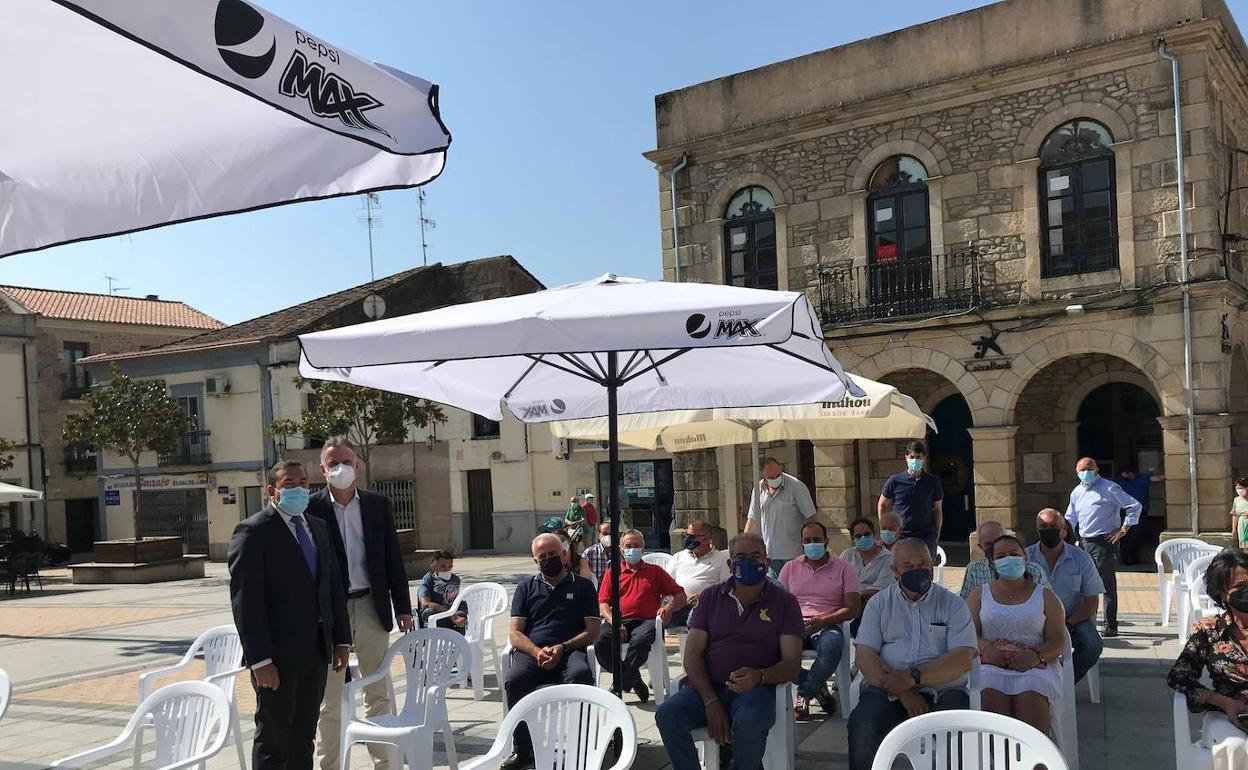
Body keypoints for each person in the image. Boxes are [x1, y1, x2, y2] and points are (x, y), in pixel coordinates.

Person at [228, 460, 351, 770]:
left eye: (304, 483)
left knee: (303, 736)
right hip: (277, 659)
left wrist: (341, 640)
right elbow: (247, 601)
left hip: (316, 652)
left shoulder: (318, 527)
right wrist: (260, 661)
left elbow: (332, 587)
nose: (298, 489)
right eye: (289, 484)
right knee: (274, 739)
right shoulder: (254, 531)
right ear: (272, 491)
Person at [305, 438, 414, 770]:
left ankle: (385, 763)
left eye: (346, 461)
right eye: (333, 462)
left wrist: (403, 606)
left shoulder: (377, 505)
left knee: (378, 690)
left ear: (358, 465)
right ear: (322, 469)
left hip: (370, 605)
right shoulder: (311, 508)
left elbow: (392, 558)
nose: (340, 468)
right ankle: (331, 766)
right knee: (330, 699)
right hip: (329, 614)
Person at [655, 532, 803, 770]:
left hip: (756, 690)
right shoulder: (711, 598)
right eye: (741, 557)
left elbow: (792, 662)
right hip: (708, 687)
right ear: (729, 564)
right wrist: (710, 701)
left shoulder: (785, 603)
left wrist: (760, 676)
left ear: (766, 561)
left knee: (749, 723)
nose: (749, 562)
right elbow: (692, 654)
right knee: (667, 715)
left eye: (756, 556)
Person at [847, 538, 976, 770]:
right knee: (863, 724)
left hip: (944, 690)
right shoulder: (879, 604)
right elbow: (865, 656)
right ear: (894, 571)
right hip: (888, 690)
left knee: (955, 738)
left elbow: (962, 658)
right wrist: (905, 692)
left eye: (923, 564)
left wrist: (914, 677)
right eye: (909, 566)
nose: (918, 571)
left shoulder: (954, 605)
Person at [505, 533, 601, 770]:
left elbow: (593, 631)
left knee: (581, 676)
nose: (548, 559)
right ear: (534, 560)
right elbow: (515, 634)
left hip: (570, 651)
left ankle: (581, 748)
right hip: (532, 653)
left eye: (553, 554)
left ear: (564, 555)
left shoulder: (583, 586)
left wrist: (563, 647)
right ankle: (524, 750)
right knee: (515, 680)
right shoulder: (525, 588)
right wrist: (536, 651)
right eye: (542, 557)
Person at [966, 535, 1066, 735]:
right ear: (992, 563)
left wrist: (1036, 656)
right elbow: (968, 634)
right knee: (990, 696)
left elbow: (1058, 640)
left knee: (1030, 696)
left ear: (1025, 558)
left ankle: (1034, 761)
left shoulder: (1045, 596)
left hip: (1035, 666)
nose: (1008, 559)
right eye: (1001, 556)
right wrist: (985, 648)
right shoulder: (979, 594)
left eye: (1014, 554)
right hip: (990, 664)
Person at [779, 521, 861, 719]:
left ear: (826, 541)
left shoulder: (844, 568)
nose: (812, 544)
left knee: (832, 646)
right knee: (771, 650)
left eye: (816, 540)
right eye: (807, 540)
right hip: (795, 625)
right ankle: (818, 689)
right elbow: (777, 601)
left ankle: (805, 692)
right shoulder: (790, 568)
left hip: (828, 624)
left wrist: (823, 620)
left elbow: (853, 608)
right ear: (801, 543)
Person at [597, 529, 687, 703]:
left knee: (640, 642)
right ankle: (633, 679)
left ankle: (620, 684)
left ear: (643, 548)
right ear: (621, 549)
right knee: (600, 642)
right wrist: (614, 621)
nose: (633, 549)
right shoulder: (613, 573)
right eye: (628, 546)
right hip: (619, 619)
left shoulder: (654, 572)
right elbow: (603, 603)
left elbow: (680, 595)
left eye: (637, 545)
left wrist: (669, 607)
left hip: (647, 620)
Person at [1168, 549, 1248, 746]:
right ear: (1223, 593)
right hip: (1227, 715)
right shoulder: (1209, 630)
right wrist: (1222, 701)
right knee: (1236, 746)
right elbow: (1178, 676)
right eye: (1240, 586)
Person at [1026, 508, 1105, 682]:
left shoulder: (1082, 559)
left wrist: (1068, 622)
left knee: (1093, 645)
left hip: (1072, 619)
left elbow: (1091, 601)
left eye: (1053, 526)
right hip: (1033, 619)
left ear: (1063, 529)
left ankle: (1062, 683)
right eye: (1043, 527)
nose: (1048, 530)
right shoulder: (1025, 557)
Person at [1065, 457, 1141, 637]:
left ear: (1097, 470)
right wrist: (1066, 536)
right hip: (1083, 541)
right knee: (1082, 584)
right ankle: (1083, 620)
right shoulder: (1076, 492)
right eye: (1082, 470)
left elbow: (1134, 506)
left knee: (1106, 585)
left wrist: (1123, 530)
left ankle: (1110, 625)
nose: (1086, 472)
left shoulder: (1109, 488)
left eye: (1089, 469)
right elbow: (1071, 517)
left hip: (1103, 542)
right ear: (1076, 472)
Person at [745, 457, 817, 575]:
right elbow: (752, 519)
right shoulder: (758, 489)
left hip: (793, 554)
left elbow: (811, 518)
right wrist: (744, 545)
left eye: (778, 475)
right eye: (771, 477)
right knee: (772, 590)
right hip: (768, 554)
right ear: (763, 475)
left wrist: (811, 546)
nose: (776, 479)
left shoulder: (796, 486)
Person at [878, 441, 944, 556]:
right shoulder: (894, 481)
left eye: (918, 457)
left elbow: (938, 509)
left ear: (924, 458)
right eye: (912, 457)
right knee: (898, 570)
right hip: (899, 536)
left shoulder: (933, 481)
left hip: (925, 536)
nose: (915, 460)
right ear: (906, 458)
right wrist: (885, 529)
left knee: (924, 571)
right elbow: (882, 504)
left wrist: (936, 535)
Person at [666, 518, 732, 627]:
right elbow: (666, 583)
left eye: (692, 537)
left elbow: (726, 587)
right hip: (678, 607)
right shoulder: (678, 557)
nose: (688, 539)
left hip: (706, 607)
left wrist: (704, 596)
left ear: (706, 539)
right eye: (687, 535)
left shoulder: (722, 558)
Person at [959, 520, 1049, 599]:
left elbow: (1051, 603)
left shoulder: (1034, 571)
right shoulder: (974, 570)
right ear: (980, 546)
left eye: (998, 540)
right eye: (988, 544)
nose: (994, 546)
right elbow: (964, 606)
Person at [839, 517, 894, 635]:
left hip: (875, 603)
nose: (863, 538)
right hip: (847, 601)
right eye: (858, 536)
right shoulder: (848, 555)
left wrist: (856, 596)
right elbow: (836, 580)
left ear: (874, 534)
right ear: (853, 539)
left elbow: (881, 587)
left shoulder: (887, 558)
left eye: (866, 534)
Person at [1119, 466, 1163, 565]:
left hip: (1140, 512)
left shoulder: (1142, 478)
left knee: (1136, 535)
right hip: (1125, 512)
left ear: (1130, 473)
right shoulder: (1122, 482)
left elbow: (1158, 478)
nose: (1122, 475)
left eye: (1124, 473)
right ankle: (1126, 557)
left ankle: (1133, 558)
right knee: (1126, 535)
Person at [417, 550, 466, 632]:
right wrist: (449, 614)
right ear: (434, 566)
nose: (447, 569)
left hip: (451, 611)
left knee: (461, 612)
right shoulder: (428, 579)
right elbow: (425, 603)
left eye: (450, 566)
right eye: (443, 567)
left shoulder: (455, 579)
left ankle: (458, 641)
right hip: (436, 611)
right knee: (430, 612)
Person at [584, 521, 613, 585]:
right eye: (605, 534)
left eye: (611, 534)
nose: (608, 536)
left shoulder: (620, 553)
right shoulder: (589, 552)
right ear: (598, 535)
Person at [1231, 478, 1248, 551]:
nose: (1239, 490)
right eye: (1236, 488)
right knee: (1245, 547)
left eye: (1240, 488)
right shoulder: (1236, 500)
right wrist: (1234, 528)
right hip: (1242, 525)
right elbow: (1235, 515)